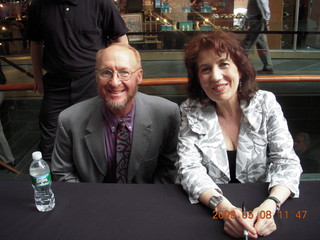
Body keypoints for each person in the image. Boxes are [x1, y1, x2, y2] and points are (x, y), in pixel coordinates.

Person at [176, 31, 302, 238]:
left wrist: (271, 205)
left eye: (223, 64)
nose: (216, 76)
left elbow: (286, 162)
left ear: (240, 69)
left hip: (265, 205)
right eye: (205, 69)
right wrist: (226, 211)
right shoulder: (190, 110)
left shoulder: (266, 103)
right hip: (212, 211)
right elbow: (189, 169)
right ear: (198, 78)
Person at [51, 43, 180, 183]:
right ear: (96, 76)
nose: (114, 82)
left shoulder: (167, 114)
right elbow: (62, 173)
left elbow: (169, 169)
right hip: (91, 200)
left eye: (124, 72)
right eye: (106, 72)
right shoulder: (69, 120)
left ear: (139, 76)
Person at [26, 0, 129, 162]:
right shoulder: (39, 5)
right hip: (55, 83)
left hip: (92, 81)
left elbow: (120, 40)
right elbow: (36, 43)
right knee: (49, 142)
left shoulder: (101, 3)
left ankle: (96, 183)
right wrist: (37, 76)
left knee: (98, 136)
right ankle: (54, 184)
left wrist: (119, 76)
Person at [242, 0, 274, 74]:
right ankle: (268, 66)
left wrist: (266, 20)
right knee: (262, 44)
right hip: (257, 19)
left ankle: (239, 64)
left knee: (247, 44)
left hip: (257, 20)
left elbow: (263, 5)